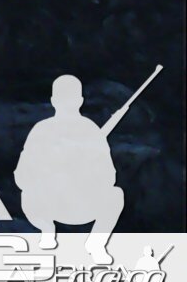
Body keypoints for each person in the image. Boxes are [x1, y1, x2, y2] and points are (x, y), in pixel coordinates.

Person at [14, 75, 125, 254]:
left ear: (53, 101)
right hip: (50, 204)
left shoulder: (88, 131)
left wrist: (82, 172)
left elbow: (108, 177)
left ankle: (95, 243)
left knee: (115, 195)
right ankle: (48, 232)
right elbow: (23, 176)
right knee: (29, 194)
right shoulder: (44, 130)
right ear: (80, 101)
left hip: (79, 204)